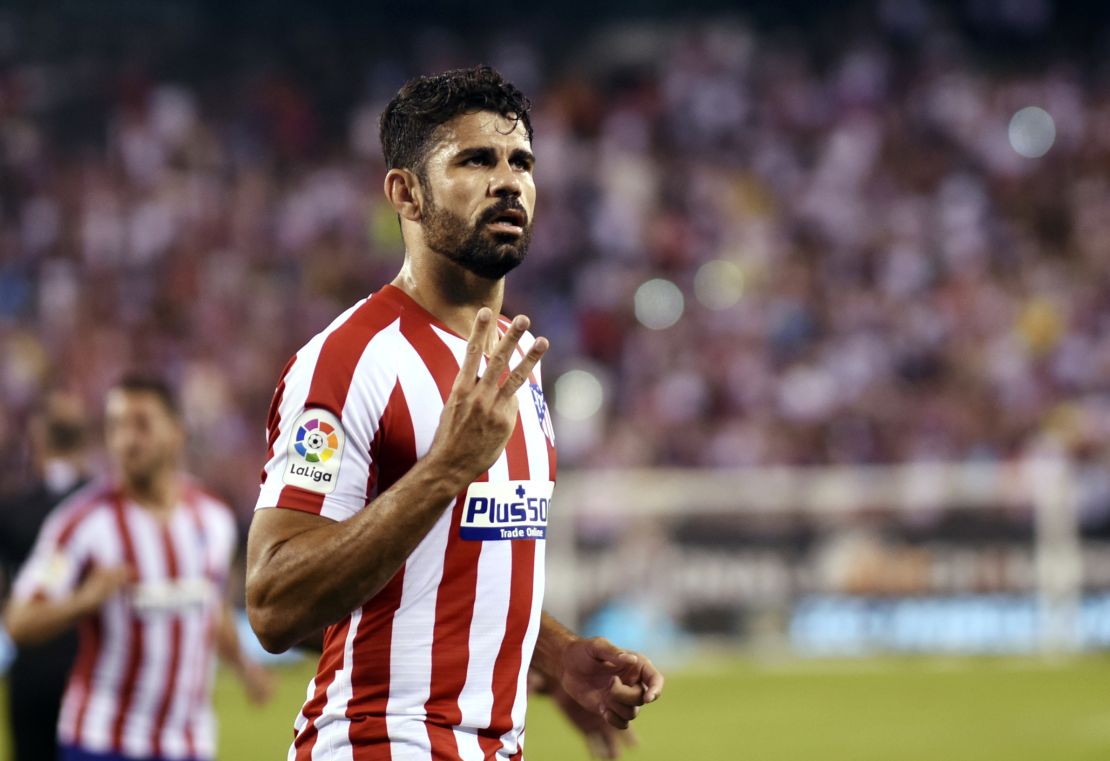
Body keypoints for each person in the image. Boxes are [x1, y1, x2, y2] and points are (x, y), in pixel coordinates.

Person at [245, 65, 663, 760]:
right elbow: (271, 602)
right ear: (405, 192)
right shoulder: (350, 361)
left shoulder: (511, 358)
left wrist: (556, 654)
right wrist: (443, 469)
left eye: (521, 162)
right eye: (475, 160)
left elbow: (457, 567)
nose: (509, 181)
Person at [3, 376, 273, 761]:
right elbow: (19, 621)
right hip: (102, 742)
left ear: (177, 432)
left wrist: (245, 667)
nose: (127, 440)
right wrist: (84, 600)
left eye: (141, 424)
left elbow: (209, 606)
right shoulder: (80, 522)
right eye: (116, 426)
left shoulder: (212, 518)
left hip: (189, 744)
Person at [0, 391, 91, 761]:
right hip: (88, 671)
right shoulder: (98, 506)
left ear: (39, 441)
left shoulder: (11, 510)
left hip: (31, 669)